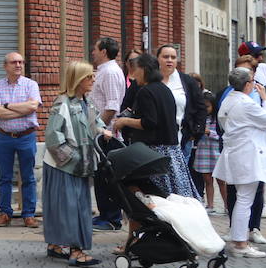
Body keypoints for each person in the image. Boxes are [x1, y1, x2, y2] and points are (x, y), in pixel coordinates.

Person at [42, 61, 106, 267]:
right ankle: (76, 251)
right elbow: (53, 137)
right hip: (65, 166)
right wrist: (73, 159)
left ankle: (55, 245)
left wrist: (103, 131)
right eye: (89, 77)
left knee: (63, 206)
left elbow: (96, 122)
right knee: (73, 207)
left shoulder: (87, 101)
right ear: (78, 80)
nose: (93, 80)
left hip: (76, 164)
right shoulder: (63, 103)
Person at [213, 66, 266, 258]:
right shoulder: (247, 104)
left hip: (235, 153)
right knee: (245, 199)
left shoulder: (227, 100)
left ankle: (239, 239)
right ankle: (240, 244)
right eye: (252, 80)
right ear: (248, 84)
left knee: (241, 199)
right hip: (248, 155)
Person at [112, 52, 200, 200]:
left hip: (155, 154)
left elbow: (149, 122)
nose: (133, 73)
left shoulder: (145, 91)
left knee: (158, 200)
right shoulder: (164, 89)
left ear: (144, 69)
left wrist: (124, 121)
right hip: (172, 152)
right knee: (177, 198)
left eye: (136, 68)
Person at [0, 51, 41, 227]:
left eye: (21, 62)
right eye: (14, 62)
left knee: (28, 177)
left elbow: (33, 107)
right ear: (5, 66)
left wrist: (7, 106)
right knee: (4, 177)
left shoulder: (30, 85)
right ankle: (5, 213)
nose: (18, 65)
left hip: (26, 137)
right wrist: (21, 109)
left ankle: (29, 214)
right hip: (4, 137)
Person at [88, 37, 126, 231]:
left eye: (95, 48)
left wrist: (98, 129)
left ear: (103, 51)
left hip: (105, 135)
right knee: (101, 177)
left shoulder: (110, 72)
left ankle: (111, 219)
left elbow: (112, 106)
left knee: (106, 177)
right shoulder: (106, 71)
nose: (92, 52)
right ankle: (105, 215)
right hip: (102, 133)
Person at [157, 44, 206, 164]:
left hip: (182, 139)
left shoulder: (187, 81)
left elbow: (200, 107)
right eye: (165, 57)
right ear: (157, 58)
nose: (169, 60)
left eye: (173, 57)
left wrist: (195, 132)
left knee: (180, 179)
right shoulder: (148, 80)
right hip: (155, 141)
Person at [192, 91, 223, 214]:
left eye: (208, 107)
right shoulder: (200, 118)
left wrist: (209, 132)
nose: (206, 110)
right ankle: (210, 205)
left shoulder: (217, 119)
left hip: (215, 151)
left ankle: (227, 205)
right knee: (207, 179)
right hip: (203, 150)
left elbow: (221, 135)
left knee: (221, 180)